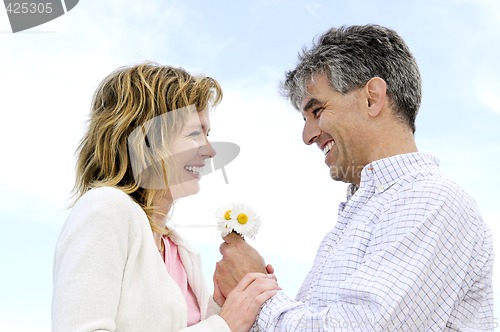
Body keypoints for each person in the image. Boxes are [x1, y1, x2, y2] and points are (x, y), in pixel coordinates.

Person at [215, 24, 494, 331]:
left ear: (372, 98)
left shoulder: (430, 200)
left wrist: (257, 295)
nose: (307, 136)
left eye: (318, 110)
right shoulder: (367, 211)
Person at [51, 62, 279, 332]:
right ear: (147, 141)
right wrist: (224, 324)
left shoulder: (179, 248)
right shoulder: (105, 209)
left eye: (207, 134)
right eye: (195, 133)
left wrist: (228, 302)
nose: (209, 151)